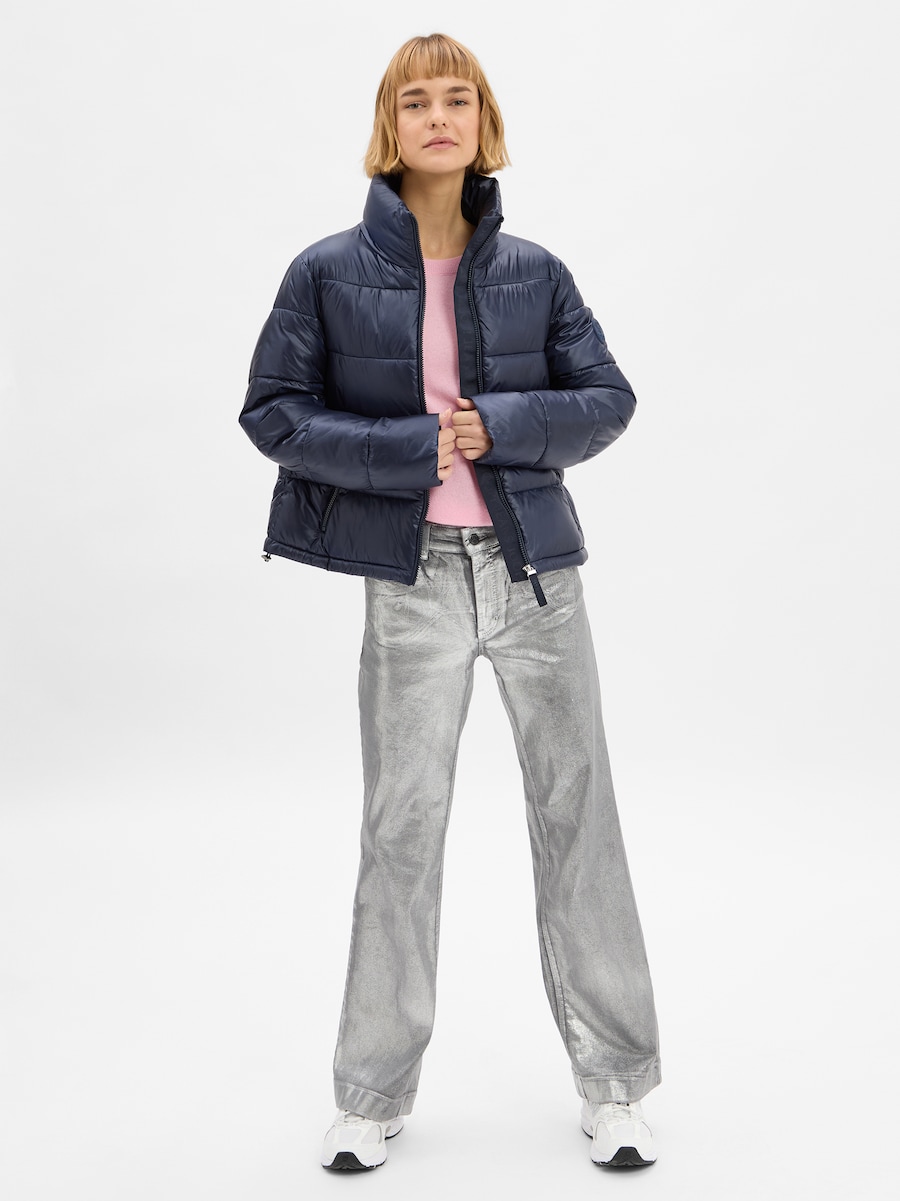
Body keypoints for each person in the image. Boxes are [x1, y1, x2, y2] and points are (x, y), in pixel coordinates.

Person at [239, 32, 661, 1171]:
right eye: (417, 100)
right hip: (413, 582)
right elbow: (273, 412)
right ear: (391, 125)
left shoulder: (538, 273)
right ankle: (371, 1093)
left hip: (536, 580)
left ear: (484, 122)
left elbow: (608, 397)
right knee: (401, 829)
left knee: (580, 820)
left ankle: (617, 1086)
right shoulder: (325, 272)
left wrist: (503, 426)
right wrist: (406, 449)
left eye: (458, 99)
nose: (439, 117)